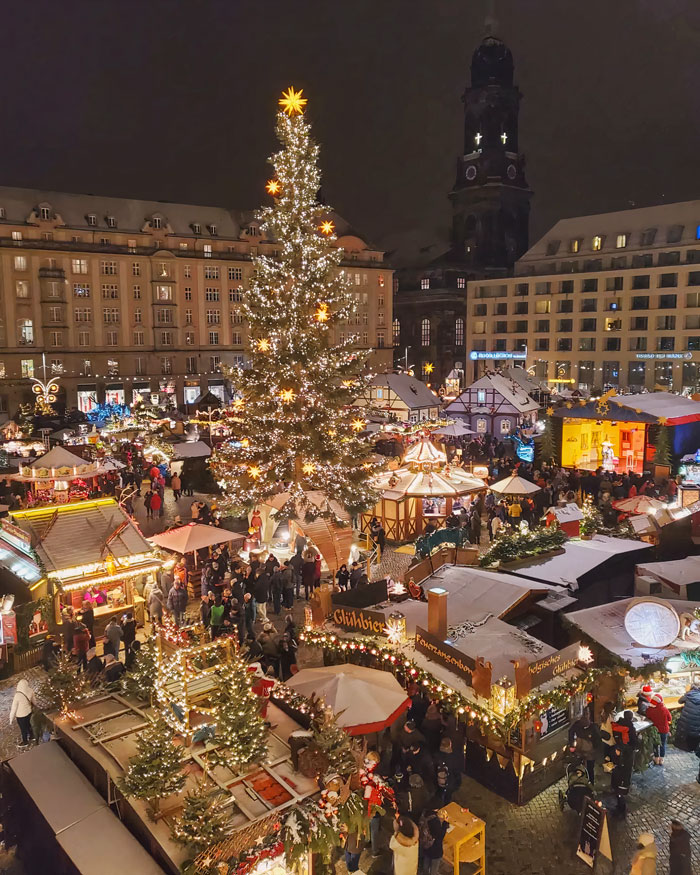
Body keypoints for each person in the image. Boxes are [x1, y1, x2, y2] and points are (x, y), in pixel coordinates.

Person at [568, 709, 600, 785]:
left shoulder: (579, 725)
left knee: (585, 767)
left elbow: (571, 732)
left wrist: (572, 744)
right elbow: (598, 739)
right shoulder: (592, 727)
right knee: (588, 768)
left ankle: (586, 782)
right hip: (585, 751)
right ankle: (589, 783)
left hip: (584, 750)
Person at [418, 809, 448, 875]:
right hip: (435, 851)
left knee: (425, 865)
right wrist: (445, 823)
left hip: (426, 846)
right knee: (434, 869)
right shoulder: (435, 823)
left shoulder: (425, 815)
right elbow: (440, 835)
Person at [645, 693, 672, 765]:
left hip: (655, 730)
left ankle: (656, 759)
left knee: (655, 744)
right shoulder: (664, 709)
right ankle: (661, 759)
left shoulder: (649, 709)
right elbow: (669, 718)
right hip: (664, 730)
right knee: (663, 744)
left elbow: (647, 717)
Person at [10, 679, 36, 747]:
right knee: (29, 725)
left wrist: (11, 719)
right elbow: (34, 701)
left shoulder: (17, 695)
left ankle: (25, 742)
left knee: (23, 729)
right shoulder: (30, 690)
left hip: (21, 715)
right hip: (29, 712)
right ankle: (32, 736)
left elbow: (14, 708)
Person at [675, 682, 700, 754]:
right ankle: (693, 749)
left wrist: (686, 694)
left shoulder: (689, 694)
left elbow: (679, 701)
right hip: (696, 726)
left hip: (685, 724)